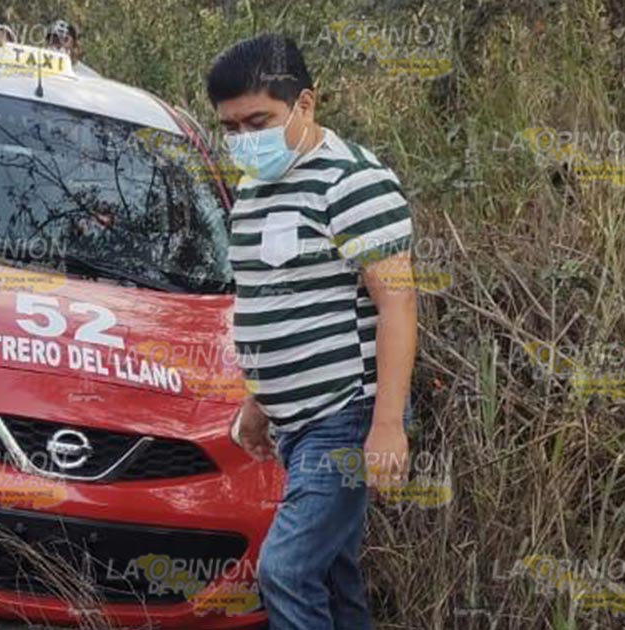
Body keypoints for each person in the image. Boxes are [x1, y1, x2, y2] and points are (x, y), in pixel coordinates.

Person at [208, 34, 417, 629]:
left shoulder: (353, 181)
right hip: (295, 424)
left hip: (344, 414)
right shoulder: (252, 187)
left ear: (305, 104)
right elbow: (271, 299)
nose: (246, 138)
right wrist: (260, 397)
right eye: (231, 127)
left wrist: (386, 425)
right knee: (331, 572)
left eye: (259, 120)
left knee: (287, 571)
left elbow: (398, 304)